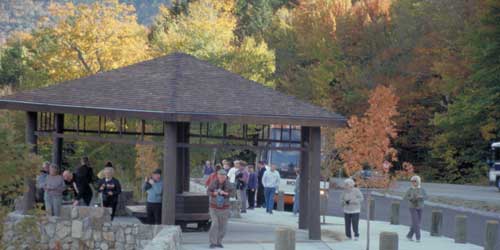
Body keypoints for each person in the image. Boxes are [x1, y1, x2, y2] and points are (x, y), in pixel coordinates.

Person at [207, 169, 233, 248]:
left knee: (223, 226)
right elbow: (208, 191)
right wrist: (213, 193)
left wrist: (225, 193)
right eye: (220, 176)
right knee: (215, 224)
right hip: (214, 207)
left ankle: (219, 242)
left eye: (223, 176)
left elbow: (233, 193)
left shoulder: (229, 184)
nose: (221, 178)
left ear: (225, 177)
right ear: (217, 176)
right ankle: (212, 242)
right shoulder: (213, 182)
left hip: (225, 208)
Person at [404, 175, 427, 242]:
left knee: (417, 223)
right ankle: (418, 237)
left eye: (415, 181)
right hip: (412, 207)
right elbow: (405, 197)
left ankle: (409, 235)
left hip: (420, 207)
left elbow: (426, 197)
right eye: (412, 181)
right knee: (416, 223)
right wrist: (411, 198)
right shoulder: (410, 189)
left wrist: (421, 197)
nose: (414, 183)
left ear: (418, 182)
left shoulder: (422, 189)